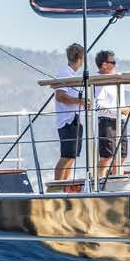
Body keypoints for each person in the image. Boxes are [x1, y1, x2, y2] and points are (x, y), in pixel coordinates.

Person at [51, 43, 87, 184]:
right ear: (80, 58)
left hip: (74, 120)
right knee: (66, 156)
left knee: (71, 157)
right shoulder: (65, 73)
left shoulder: (70, 74)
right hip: (68, 121)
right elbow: (60, 96)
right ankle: (58, 187)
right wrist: (80, 101)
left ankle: (64, 185)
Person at [93, 50, 130, 177]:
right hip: (107, 121)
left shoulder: (117, 78)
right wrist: (119, 109)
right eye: (113, 62)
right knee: (106, 156)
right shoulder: (98, 81)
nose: (115, 65)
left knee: (122, 155)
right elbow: (98, 106)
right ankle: (99, 183)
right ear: (104, 65)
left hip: (121, 120)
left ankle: (116, 182)